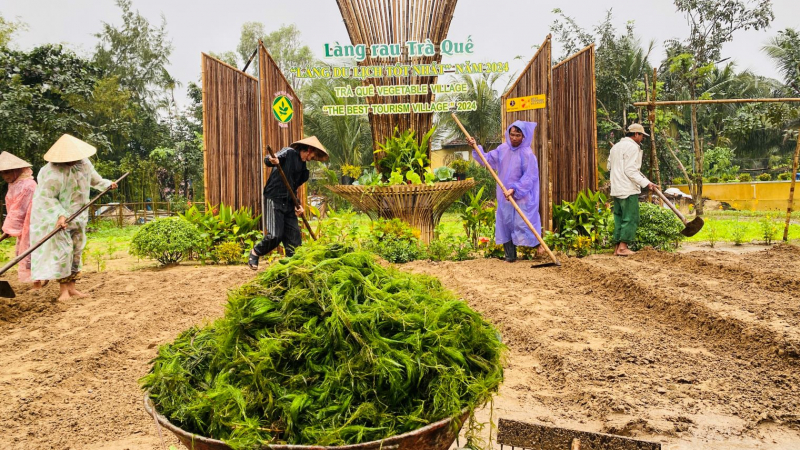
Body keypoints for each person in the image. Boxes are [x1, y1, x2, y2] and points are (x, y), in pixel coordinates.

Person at [30, 134, 117, 301]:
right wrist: (59, 215)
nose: (72, 161)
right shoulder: (50, 171)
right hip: (59, 218)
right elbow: (46, 197)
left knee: (76, 251)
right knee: (63, 252)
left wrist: (107, 184)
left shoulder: (84, 164)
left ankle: (72, 288)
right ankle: (63, 290)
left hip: (79, 215)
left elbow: (95, 180)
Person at [248, 136, 329, 269]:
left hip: (290, 203)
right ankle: (255, 252)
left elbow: (293, 188)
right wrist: (272, 160)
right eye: (313, 155)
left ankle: (292, 268)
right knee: (275, 235)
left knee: (295, 241)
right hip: (274, 198)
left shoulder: (304, 171)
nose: (313, 158)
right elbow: (268, 159)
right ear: (309, 149)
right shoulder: (289, 152)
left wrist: (298, 205)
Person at [470, 121, 543, 262]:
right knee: (506, 223)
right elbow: (487, 160)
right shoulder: (502, 149)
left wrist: (514, 189)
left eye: (518, 135)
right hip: (504, 196)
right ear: (508, 134)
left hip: (521, 197)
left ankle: (540, 248)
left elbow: (530, 177)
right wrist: (475, 146)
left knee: (524, 223)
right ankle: (510, 256)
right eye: (512, 134)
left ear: (524, 136)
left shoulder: (527, 154)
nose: (514, 138)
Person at [608, 123, 658, 256]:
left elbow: (609, 166)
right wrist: (646, 183)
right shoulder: (632, 147)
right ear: (636, 134)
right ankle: (623, 248)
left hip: (616, 188)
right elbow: (630, 170)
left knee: (619, 218)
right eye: (641, 135)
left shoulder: (616, 148)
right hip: (628, 188)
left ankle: (617, 248)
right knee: (631, 218)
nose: (642, 138)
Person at [0, 151, 42, 286]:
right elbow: (13, 207)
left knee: (31, 252)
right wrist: (10, 228)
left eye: (7, 172)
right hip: (23, 226)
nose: (4, 176)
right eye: (2, 173)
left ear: (16, 170)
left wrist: (9, 228)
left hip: (34, 224)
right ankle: (38, 282)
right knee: (25, 253)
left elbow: (19, 209)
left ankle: (38, 284)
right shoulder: (14, 184)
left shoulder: (28, 185)